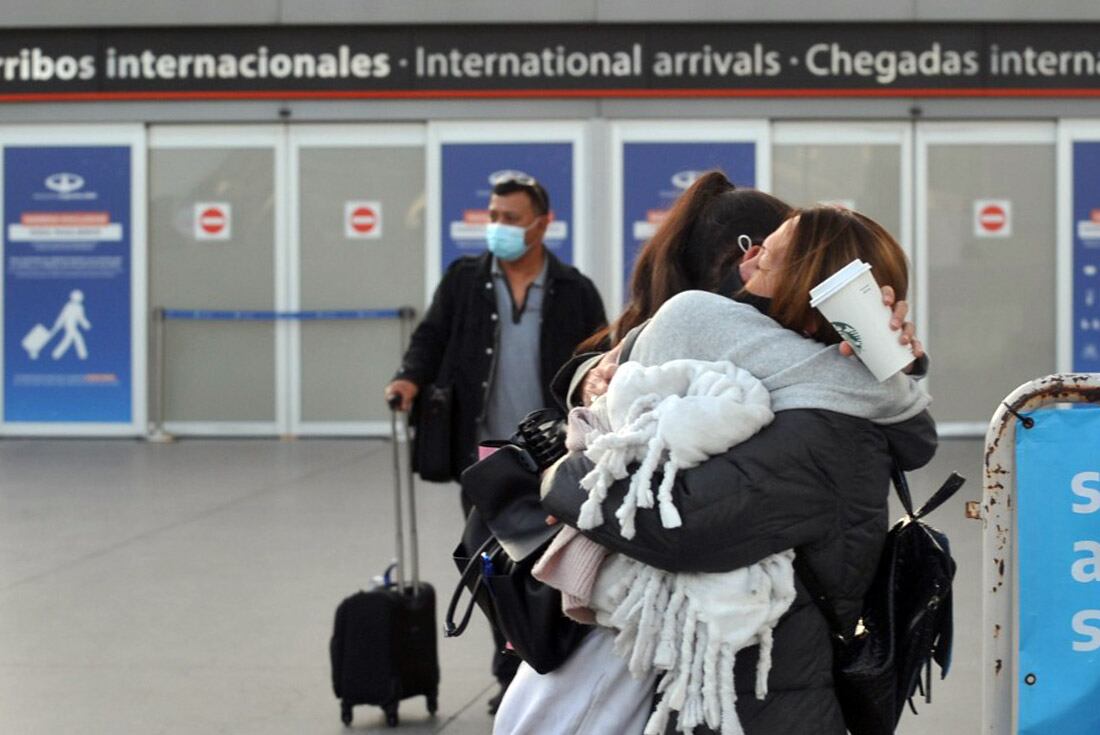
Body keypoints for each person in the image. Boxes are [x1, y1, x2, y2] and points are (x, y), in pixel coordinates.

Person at [530, 201, 936, 735]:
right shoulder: (781, 383)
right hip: (735, 692)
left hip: (762, 703)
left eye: (772, 254)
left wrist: (562, 475)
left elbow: (677, 523)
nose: (754, 255)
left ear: (808, 288)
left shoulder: (827, 429)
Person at [384, 174, 606, 712]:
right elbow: (431, 337)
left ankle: (541, 663)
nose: (499, 227)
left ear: (542, 223)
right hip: (484, 457)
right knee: (490, 565)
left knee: (547, 566)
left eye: (511, 218)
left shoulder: (573, 289)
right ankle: (509, 669)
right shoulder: (465, 280)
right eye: (494, 217)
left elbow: (597, 360)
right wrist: (409, 379)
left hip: (554, 459)